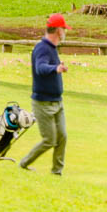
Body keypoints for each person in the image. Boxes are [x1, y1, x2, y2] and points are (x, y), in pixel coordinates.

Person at [20, 13, 70, 175]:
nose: (65, 32)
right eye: (64, 29)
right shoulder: (42, 48)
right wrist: (55, 69)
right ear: (57, 30)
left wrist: (58, 67)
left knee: (62, 137)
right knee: (49, 140)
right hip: (43, 103)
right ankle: (24, 163)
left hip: (57, 101)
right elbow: (40, 68)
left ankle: (57, 172)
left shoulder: (52, 49)